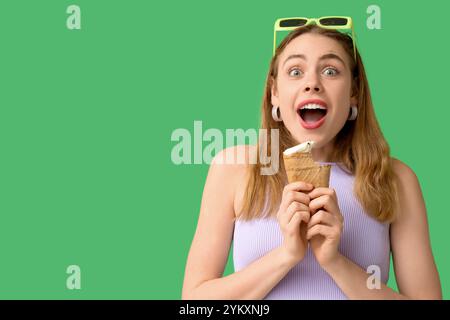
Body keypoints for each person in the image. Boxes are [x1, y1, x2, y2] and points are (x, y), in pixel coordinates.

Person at [181, 21, 442, 299]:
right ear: (275, 94)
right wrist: (287, 254)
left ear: (354, 93)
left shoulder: (397, 179)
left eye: (330, 71)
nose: (312, 84)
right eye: (295, 71)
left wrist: (334, 261)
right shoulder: (234, 168)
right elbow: (195, 302)